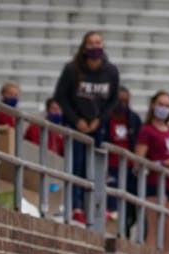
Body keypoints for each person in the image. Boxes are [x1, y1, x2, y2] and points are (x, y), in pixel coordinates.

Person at [53, 31, 120, 224]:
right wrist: (76, 120)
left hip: (98, 127)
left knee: (96, 169)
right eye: (90, 43)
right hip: (75, 126)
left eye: (98, 42)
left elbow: (113, 99)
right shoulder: (72, 69)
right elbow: (60, 96)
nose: (94, 47)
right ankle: (74, 206)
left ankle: (93, 208)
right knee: (75, 165)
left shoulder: (111, 71)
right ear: (84, 46)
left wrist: (100, 119)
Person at [134, 90, 169, 251]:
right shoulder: (147, 130)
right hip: (154, 183)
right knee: (154, 227)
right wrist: (163, 164)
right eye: (161, 104)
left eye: (167, 106)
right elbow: (138, 162)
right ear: (153, 105)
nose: (164, 109)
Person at [103, 86, 142, 218]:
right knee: (112, 200)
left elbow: (138, 141)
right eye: (119, 101)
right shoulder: (104, 118)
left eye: (126, 101)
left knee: (130, 202)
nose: (122, 104)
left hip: (129, 168)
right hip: (109, 166)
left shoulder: (133, 119)